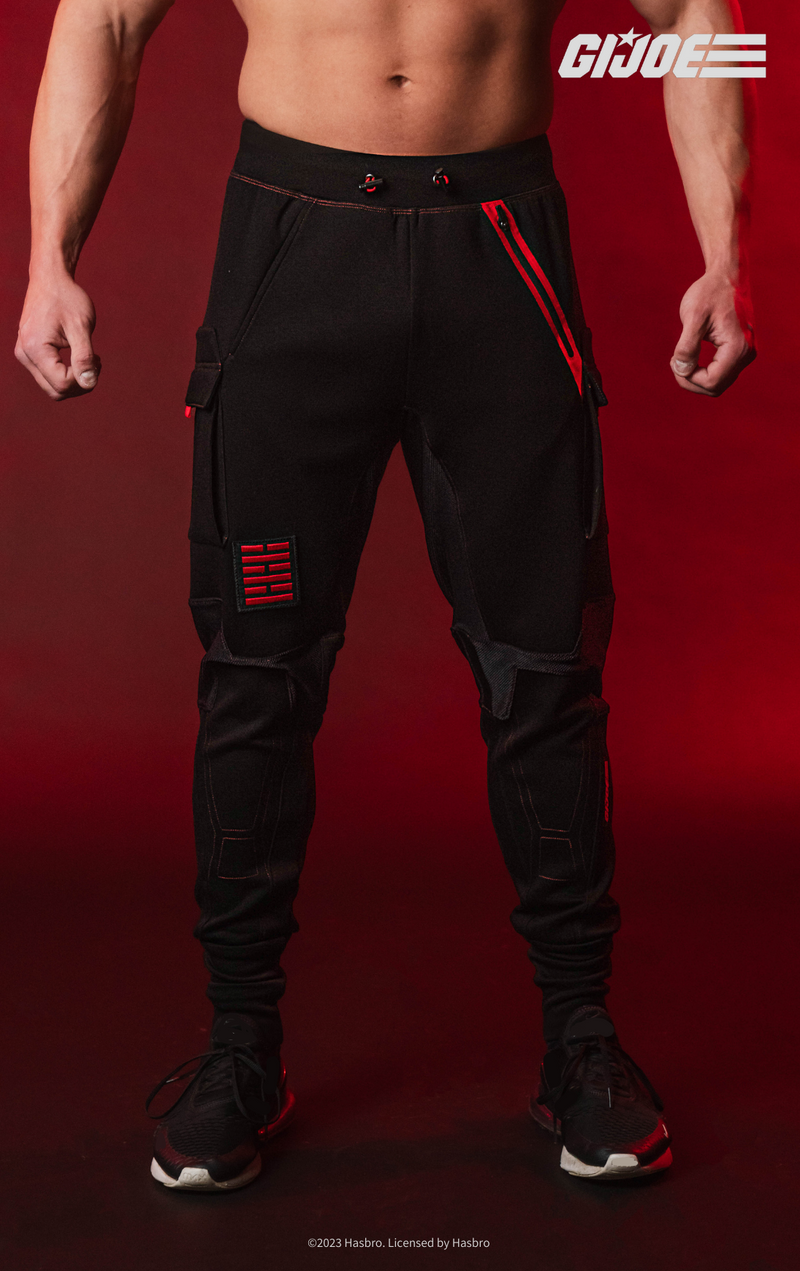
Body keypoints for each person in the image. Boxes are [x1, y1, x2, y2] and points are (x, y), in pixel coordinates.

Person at [16, 0, 756, 1191]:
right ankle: (240, 1045)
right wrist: (50, 257)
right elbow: (101, 17)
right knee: (256, 671)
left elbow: (698, 15)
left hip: (500, 254)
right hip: (291, 256)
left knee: (544, 668)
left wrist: (723, 251)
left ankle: (581, 1038)